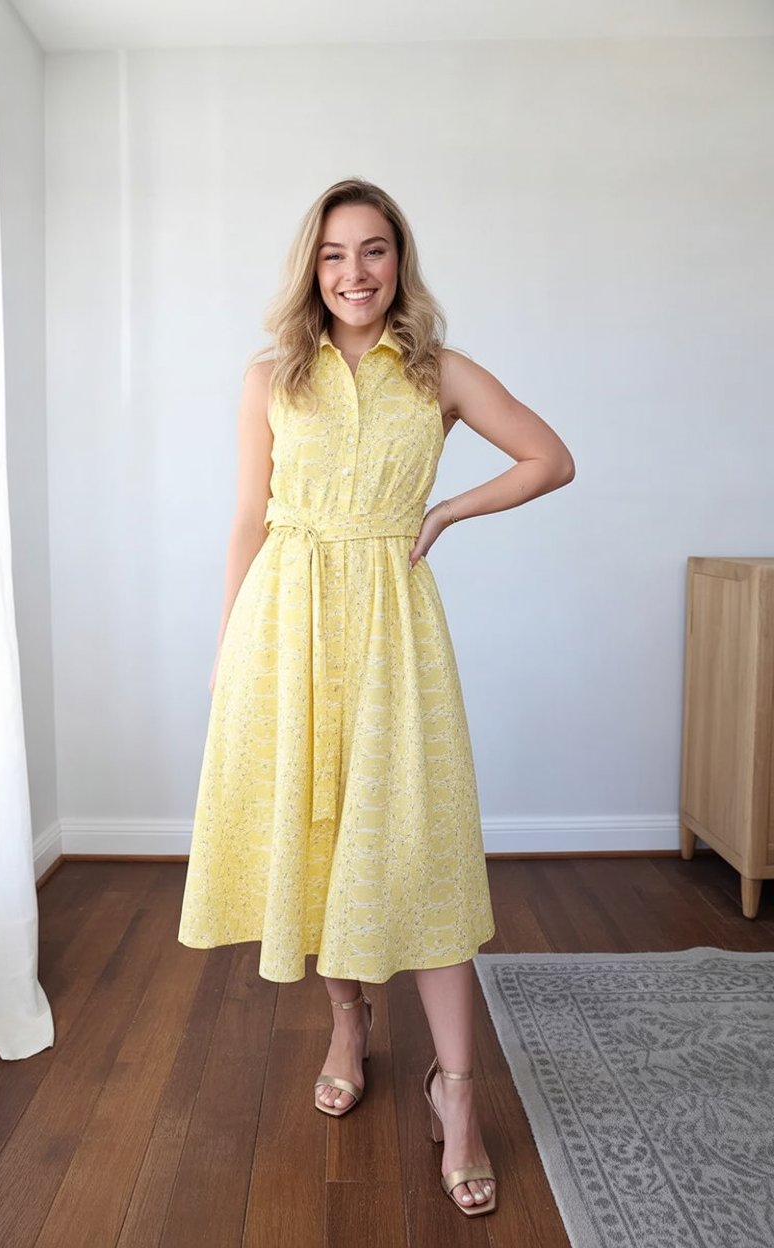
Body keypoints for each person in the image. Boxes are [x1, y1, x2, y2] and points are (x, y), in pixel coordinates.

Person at [178, 177, 575, 1218]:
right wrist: (227, 650)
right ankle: (348, 1022)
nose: (353, 273)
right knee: (319, 840)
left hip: (394, 634)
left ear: (399, 261)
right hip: (286, 628)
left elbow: (549, 458)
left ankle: (459, 1090)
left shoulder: (437, 372)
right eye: (332, 255)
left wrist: (445, 510)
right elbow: (244, 522)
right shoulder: (273, 377)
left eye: (373, 251)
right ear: (310, 269)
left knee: (420, 847)